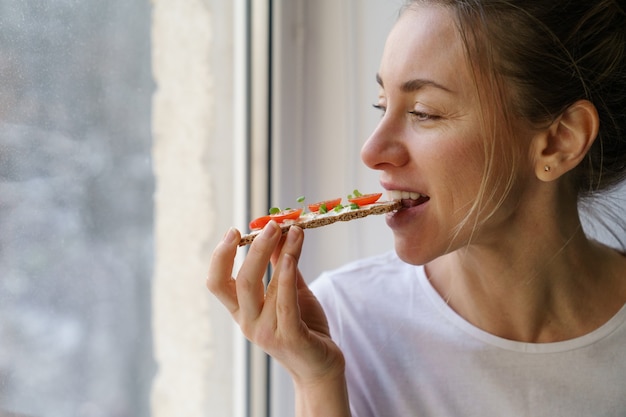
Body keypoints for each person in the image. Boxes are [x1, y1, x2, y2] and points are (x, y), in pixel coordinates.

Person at [207, 0, 626, 415]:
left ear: (560, 141)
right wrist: (316, 381)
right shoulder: (342, 321)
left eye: (424, 112)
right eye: (380, 104)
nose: (371, 152)